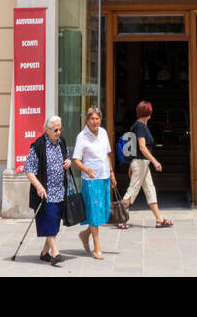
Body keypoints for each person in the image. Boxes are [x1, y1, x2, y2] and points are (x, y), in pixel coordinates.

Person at [23, 115, 72, 266]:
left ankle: (44, 252)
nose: (58, 132)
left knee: (55, 222)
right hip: (45, 192)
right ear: (47, 130)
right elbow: (28, 169)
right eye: (55, 130)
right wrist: (38, 186)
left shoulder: (61, 142)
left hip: (59, 190)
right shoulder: (38, 145)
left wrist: (68, 163)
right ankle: (55, 253)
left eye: (60, 129)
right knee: (49, 220)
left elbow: (67, 157)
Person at [72, 106, 117, 260]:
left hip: (104, 177)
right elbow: (76, 159)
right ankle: (97, 248)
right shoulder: (82, 136)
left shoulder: (103, 133)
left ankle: (85, 235)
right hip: (90, 180)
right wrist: (86, 169)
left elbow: (107, 155)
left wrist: (111, 173)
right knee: (94, 213)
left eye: (97, 118)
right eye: (92, 118)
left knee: (101, 212)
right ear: (87, 120)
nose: (95, 121)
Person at [121, 100, 173, 227]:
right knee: (132, 190)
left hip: (140, 163)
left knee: (150, 189)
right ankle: (120, 218)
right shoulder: (140, 127)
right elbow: (142, 147)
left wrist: (131, 164)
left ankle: (159, 219)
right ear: (149, 113)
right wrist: (155, 162)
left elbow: (134, 148)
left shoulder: (137, 126)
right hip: (140, 163)